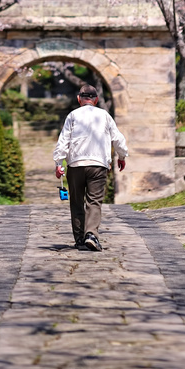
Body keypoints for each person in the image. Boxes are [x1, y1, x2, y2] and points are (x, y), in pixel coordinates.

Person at [54, 83, 128, 251]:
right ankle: (91, 234)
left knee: (76, 202)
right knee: (94, 201)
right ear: (96, 100)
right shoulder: (104, 115)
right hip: (98, 165)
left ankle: (80, 239)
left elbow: (63, 141)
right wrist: (121, 156)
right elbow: (118, 139)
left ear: (79, 99)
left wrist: (59, 163)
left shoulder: (72, 115)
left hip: (76, 164)